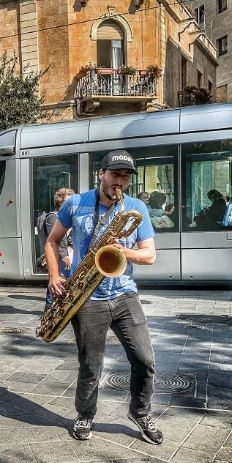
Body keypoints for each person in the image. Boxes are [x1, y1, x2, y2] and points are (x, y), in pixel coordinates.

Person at [46, 150, 163, 445]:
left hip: (124, 294)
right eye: (115, 174)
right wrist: (54, 276)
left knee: (145, 359)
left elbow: (149, 255)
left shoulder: (135, 207)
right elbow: (52, 241)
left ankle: (140, 411)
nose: (120, 181)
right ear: (101, 174)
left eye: (125, 176)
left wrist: (125, 252)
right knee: (90, 365)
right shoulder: (75, 204)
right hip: (88, 297)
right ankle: (85, 414)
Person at [37, 188, 75, 309]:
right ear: (59, 202)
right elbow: (55, 239)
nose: (71, 204)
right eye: (68, 201)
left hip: (67, 256)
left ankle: (61, 308)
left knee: (64, 282)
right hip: (57, 257)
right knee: (56, 281)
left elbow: (69, 237)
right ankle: (50, 309)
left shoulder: (70, 217)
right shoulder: (54, 217)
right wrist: (64, 255)